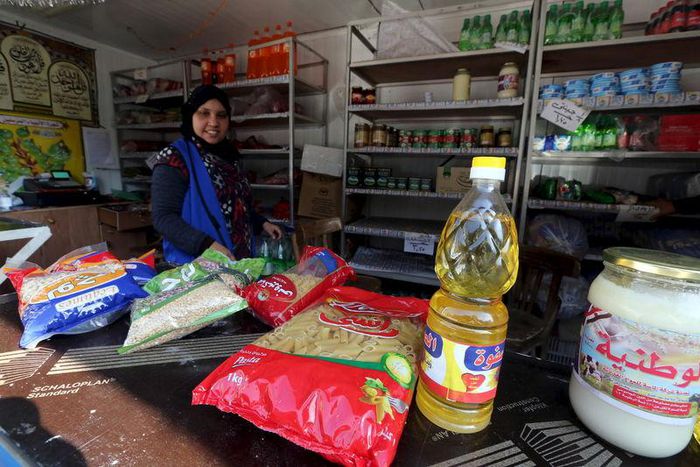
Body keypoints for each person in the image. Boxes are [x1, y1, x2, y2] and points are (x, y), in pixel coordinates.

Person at [150, 84, 282, 265]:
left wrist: (261, 223)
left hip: (237, 261)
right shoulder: (174, 158)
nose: (213, 122)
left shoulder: (229, 155)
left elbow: (237, 204)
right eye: (204, 113)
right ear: (191, 116)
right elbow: (164, 218)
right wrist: (207, 245)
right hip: (199, 265)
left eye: (221, 115)